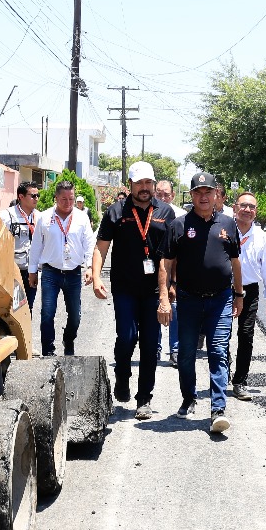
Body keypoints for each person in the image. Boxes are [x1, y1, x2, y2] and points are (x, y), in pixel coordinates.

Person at [160, 171, 243, 434]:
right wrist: (164, 296)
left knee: (218, 351)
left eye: (208, 192)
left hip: (220, 300)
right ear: (192, 196)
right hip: (189, 300)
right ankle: (188, 397)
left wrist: (239, 295)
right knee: (186, 354)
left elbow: (235, 262)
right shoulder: (179, 226)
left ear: (216, 194)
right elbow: (167, 263)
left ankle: (218, 408)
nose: (204, 196)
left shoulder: (229, 225)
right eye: (198, 192)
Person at [91, 161, 175, 420]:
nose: (144, 188)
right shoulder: (116, 211)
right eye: (139, 183)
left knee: (151, 345)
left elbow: (170, 256)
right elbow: (101, 247)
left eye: (148, 183)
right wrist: (95, 277)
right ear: (130, 185)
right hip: (125, 288)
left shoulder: (166, 212)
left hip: (153, 290)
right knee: (127, 337)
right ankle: (122, 376)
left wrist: (169, 288)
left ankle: (144, 399)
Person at [29, 180, 95, 356]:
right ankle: (48, 352)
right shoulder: (44, 217)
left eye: (71, 199)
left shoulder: (81, 218)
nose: (68, 203)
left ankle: (68, 338)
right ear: (56, 198)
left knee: (75, 316)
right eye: (64, 199)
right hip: (51, 272)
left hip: (73, 273)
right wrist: (32, 271)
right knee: (47, 314)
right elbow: (36, 246)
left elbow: (89, 244)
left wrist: (89, 267)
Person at [229, 191, 266, 401]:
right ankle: (221, 377)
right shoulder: (224, 230)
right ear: (235, 207)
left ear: (255, 212)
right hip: (224, 290)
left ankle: (240, 381)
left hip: (250, 291)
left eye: (252, 207)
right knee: (221, 336)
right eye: (243, 206)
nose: (247, 210)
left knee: (246, 335)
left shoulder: (261, 236)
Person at [155, 179, 184, 364]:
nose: (163, 197)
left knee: (174, 309)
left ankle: (175, 349)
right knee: (154, 309)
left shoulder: (181, 217)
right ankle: (155, 348)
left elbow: (180, 255)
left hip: (173, 272)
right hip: (152, 271)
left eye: (166, 194)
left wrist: (174, 282)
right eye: (159, 194)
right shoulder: (149, 212)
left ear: (173, 195)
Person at [6, 181, 40, 310]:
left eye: (38, 195)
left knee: (28, 307)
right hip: (13, 272)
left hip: (32, 271)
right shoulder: (7, 216)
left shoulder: (40, 217)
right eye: (33, 195)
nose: (36, 199)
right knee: (13, 309)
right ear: (21, 197)